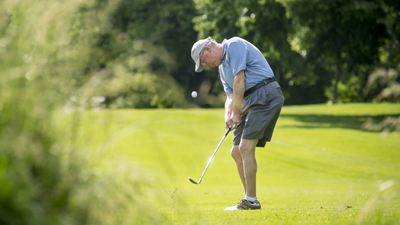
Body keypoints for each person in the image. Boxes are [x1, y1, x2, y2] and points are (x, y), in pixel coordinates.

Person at [191, 36, 284, 210]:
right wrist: (229, 114)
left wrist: (236, 111)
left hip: (264, 94)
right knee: (236, 151)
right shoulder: (221, 69)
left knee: (245, 147)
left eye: (205, 61)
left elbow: (240, 80)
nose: (207, 66)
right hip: (246, 100)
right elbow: (230, 95)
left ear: (208, 50)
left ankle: (251, 200)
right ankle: (249, 199)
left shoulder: (234, 45)